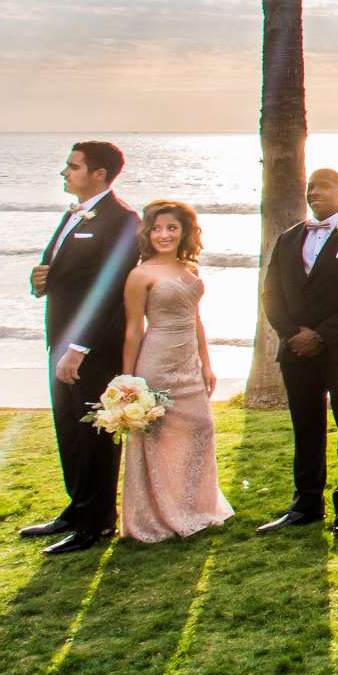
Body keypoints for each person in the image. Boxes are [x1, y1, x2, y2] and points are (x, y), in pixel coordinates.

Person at [21, 140, 142, 558]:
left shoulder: (124, 220)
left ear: (100, 174)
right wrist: (39, 281)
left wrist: (79, 346)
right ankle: (76, 508)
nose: (64, 172)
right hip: (60, 340)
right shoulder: (75, 215)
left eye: (72, 166)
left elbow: (109, 289)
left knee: (95, 431)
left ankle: (96, 523)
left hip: (91, 348)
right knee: (68, 428)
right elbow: (61, 271)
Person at [259, 168, 338, 536]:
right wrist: (291, 334)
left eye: (323, 187)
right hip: (295, 350)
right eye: (310, 188)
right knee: (306, 428)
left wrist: (321, 334)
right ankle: (305, 505)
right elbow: (271, 293)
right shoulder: (288, 238)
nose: (315, 193)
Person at [118, 201, 231, 543]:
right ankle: (158, 514)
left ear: (184, 232)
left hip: (188, 364)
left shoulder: (190, 271)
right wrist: (128, 380)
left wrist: (206, 365)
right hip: (157, 362)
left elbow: (196, 321)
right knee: (157, 438)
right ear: (147, 233)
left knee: (200, 429)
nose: (164, 234)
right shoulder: (140, 275)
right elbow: (134, 330)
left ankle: (195, 507)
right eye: (157, 228)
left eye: (172, 228)